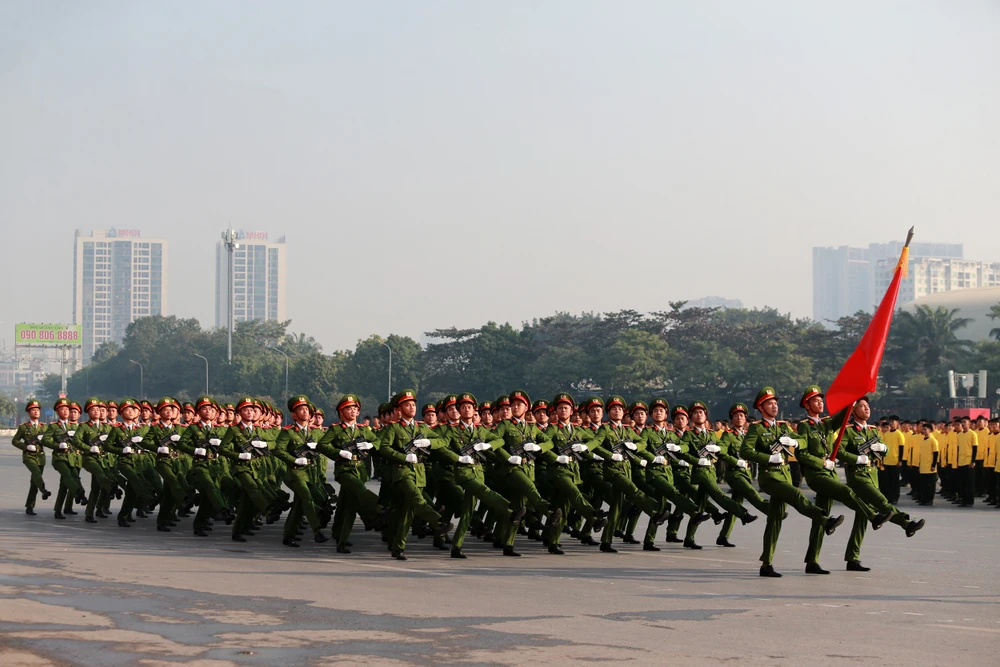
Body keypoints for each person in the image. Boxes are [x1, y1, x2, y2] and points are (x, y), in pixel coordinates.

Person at [741, 387, 844, 578]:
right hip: (770, 476)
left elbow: (801, 440)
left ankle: (766, 564)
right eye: (769, 403)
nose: (774, 406)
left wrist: (795, 442)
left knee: (774, 520)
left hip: (785, 474)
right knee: (797, 494)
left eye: (775, 403)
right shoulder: (757, 428)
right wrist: (767, 458)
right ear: (761, 407)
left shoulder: (782, 426)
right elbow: (745, 451)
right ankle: (824, 520)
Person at [795, 386, 890, 575]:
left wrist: (851, 400)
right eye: (815, 400)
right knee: (847, 492)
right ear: (807, 405)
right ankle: (873, 516)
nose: (820, 402)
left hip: (829, 474)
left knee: (821, 517)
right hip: (817, 474)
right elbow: (801, 454)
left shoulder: (827, 424)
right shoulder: (804, 426)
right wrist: (822, 463)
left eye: (821, 399)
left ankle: (812, 561)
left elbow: (842, 416)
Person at [838, 397, 925, 571]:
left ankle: (852, 559)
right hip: (858, 477)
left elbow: (884, 446)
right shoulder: (847, 431)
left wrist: (883, 449)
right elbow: (838, 451)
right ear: (853, 411)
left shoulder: (872, 430)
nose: (866, 409)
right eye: (862, 406)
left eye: (868, 406)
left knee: (862, 520)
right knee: (882, 502)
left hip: (872, 476)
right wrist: (857, 458)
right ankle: (906, 523)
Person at [11, 399, 51, 515]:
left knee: (34, 481)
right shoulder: (24, 427)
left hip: (41, 456)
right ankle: (44, 490)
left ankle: (30, 506)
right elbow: (15, 441)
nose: (36, 412)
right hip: (29, 456)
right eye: (33, 410)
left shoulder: (44, 427)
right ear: (29, 412)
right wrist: (26, 447)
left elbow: (50, 440)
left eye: (37, 410)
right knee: (36, 473)